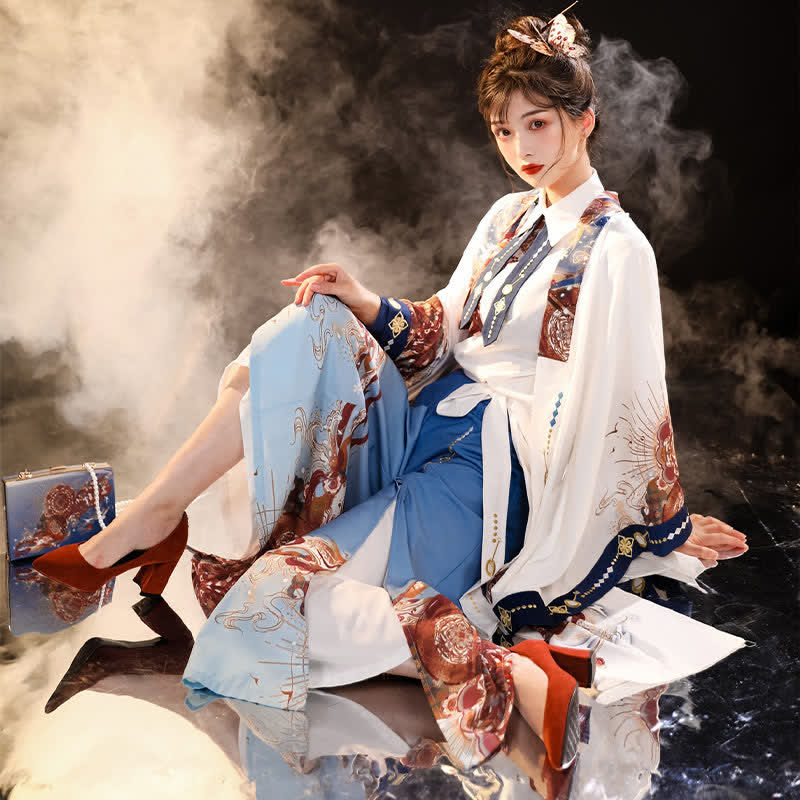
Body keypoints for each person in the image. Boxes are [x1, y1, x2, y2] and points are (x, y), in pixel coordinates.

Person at [33, 9, 748, 772]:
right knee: (308, 326)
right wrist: (365, 300)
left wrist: (662, 526)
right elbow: (444, 329)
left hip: (485, 477)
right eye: (505, 132)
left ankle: (509, 675)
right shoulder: (508, 217)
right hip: (419, 430)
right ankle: (154, 514)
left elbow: (630, 406)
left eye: (538, 125)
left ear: (585, 120)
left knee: (264, 608)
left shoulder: (616, 249)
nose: (523, 149)